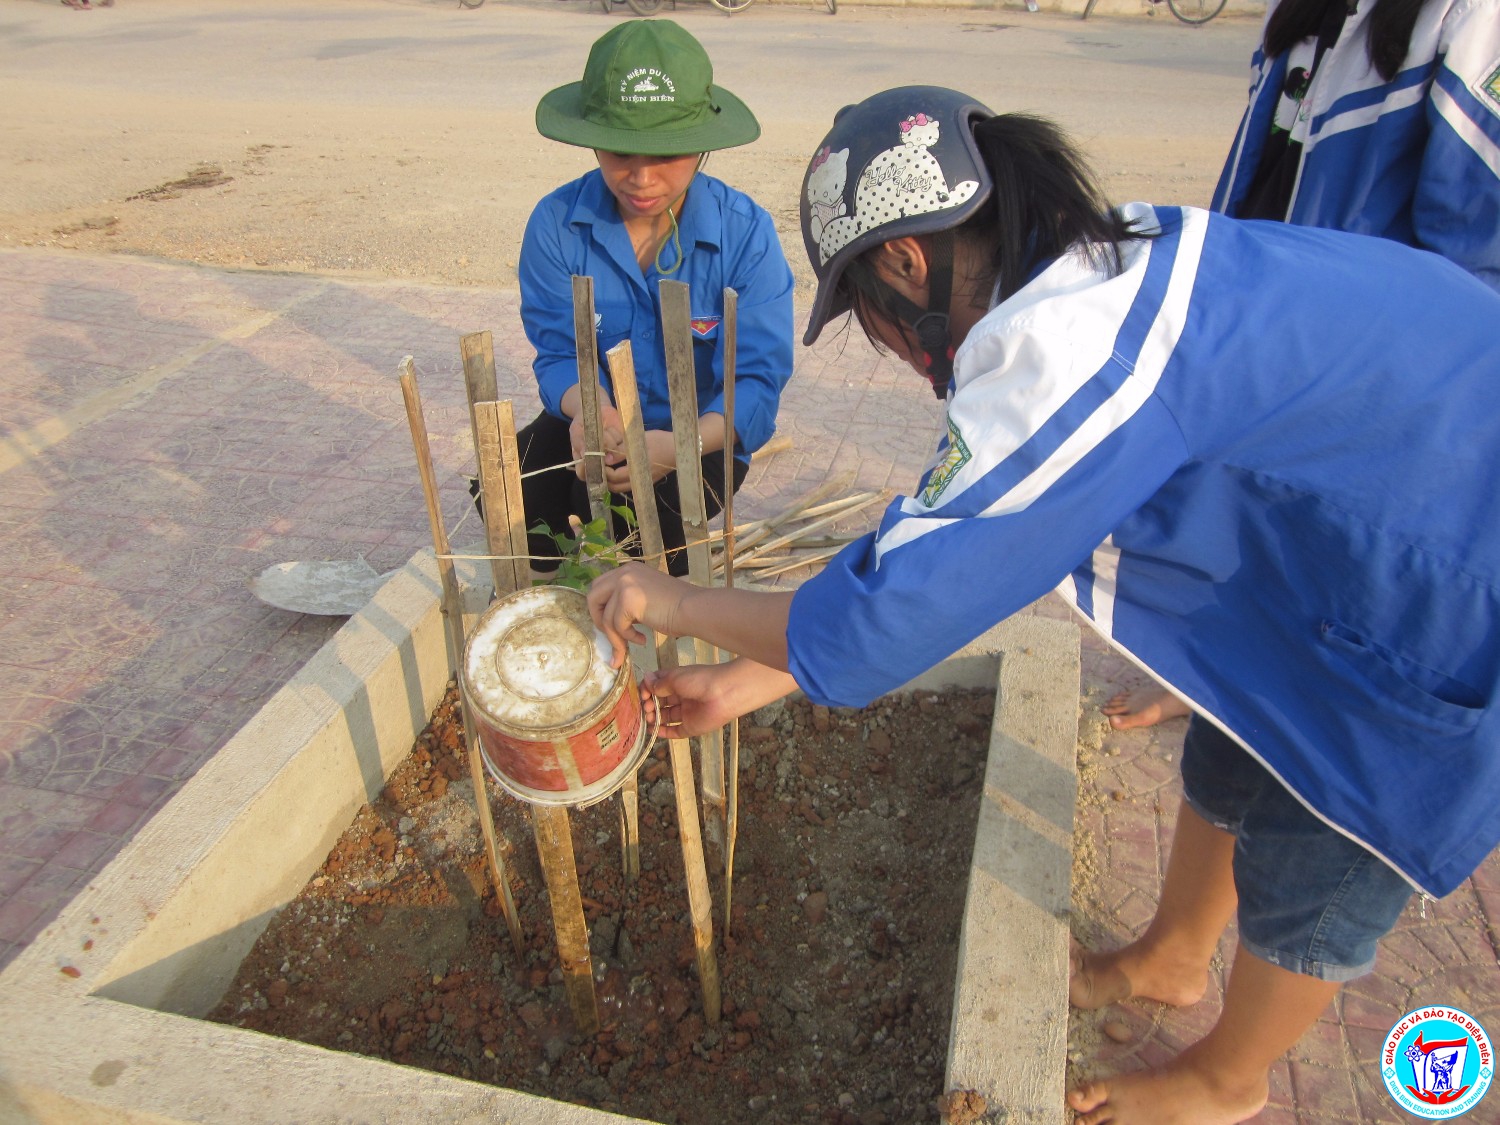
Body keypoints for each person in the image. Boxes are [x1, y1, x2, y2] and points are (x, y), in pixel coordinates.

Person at [585, 86, 1500, 1124]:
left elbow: (890, 616)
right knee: (1241, 740)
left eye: (870, 322)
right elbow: (962, 550)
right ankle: (1170, 958)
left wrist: (672, 600)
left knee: (1326, 838)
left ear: (904, 263)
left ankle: (1227, 1078)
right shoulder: (1100, 265)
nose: (886, 347)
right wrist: (751, 682)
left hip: (1456, 560)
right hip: (1385, 499)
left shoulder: (1068, 354)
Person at [1104, 0, 1500, 729]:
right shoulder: (1302, 18)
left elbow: (1474, 275)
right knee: (1243, 579)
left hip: (1374, 399)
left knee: (1320, 675)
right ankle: (1204, 670)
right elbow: (1255, 186)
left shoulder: (1468, 18)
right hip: (1275, 361)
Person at [511, 19, 794, 579]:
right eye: (619, 151)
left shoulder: (745, 234)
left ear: (703, 148)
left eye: (667, 155)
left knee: (649, 536)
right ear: (590, 137)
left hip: (700, 435)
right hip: (602, 423)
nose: (641, 178)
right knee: (515, 501)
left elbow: (757, 382)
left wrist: (678, 446)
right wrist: (590, 414)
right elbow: (557, 350)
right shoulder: (555, 224)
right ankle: (555, 623)